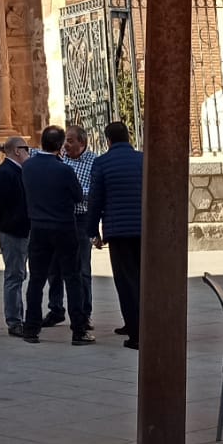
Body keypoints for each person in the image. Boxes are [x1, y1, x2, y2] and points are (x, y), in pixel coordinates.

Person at [20, 125, 93, 344]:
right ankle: (79, 330)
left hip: (38, 228)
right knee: (72, 278)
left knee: (37, 279)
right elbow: (78, 196)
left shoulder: (28, 167)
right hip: (63, 227)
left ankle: (31, 328)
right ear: (60, 146)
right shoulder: (64, 170)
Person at [88, 119, 144, 349]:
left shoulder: (102, 163)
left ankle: (135, 332)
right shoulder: (143, 160)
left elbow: (95, 200)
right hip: (144, 230)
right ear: (129, 137)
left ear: (107, 140)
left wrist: (93, 231)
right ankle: (141, 324)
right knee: (144, 279)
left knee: (126, 281)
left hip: (118, 231)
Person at [0, 135, 32, 336]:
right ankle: (14, 321)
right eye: (26, 149)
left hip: (21, 228)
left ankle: (20, 317)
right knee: (14, 275)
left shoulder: (18, 170)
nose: (29, 153)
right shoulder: (6, 172)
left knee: (19, 273)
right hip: (12, 230)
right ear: (16, 151)